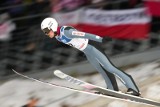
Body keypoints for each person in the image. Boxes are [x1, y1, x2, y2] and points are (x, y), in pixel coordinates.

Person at [40, 17, 141, 96]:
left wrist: (101, 39)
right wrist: (83, 51)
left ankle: (132, 88)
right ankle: (112, 89)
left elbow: (84, 35)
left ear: (52, 26)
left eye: (46, 31)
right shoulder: (58, 37)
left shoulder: (66, 31)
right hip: (87, 51)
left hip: (92, 46)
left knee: (109, 67)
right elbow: (76, 43)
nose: (46, 34)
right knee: (101, 69)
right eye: (44, 32)